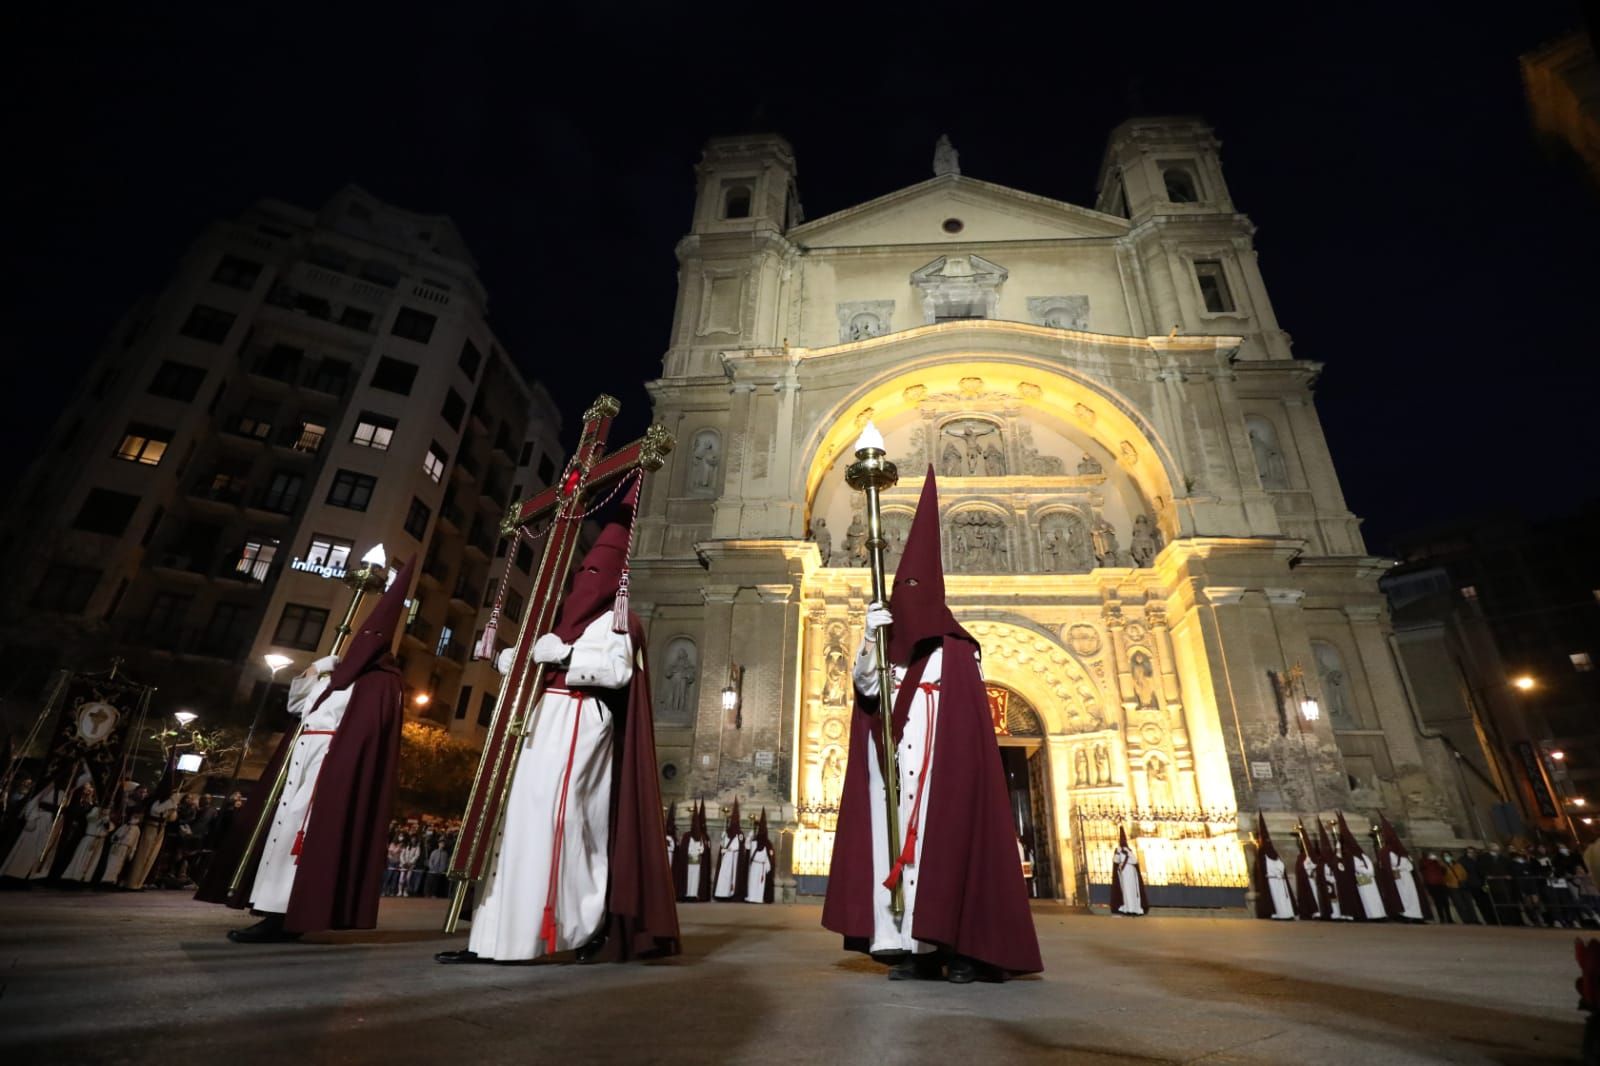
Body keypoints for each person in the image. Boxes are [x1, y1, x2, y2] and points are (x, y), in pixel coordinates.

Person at [822, 468, 1042, 983]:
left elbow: (969, 726)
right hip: (898, 783)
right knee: (908, 862)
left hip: (946, 781)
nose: (910, 599)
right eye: (903, 589)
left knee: (952, 858)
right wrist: (868, 639)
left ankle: (963, 948)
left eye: (917, 588)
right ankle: (918, 951)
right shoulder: (888, 653)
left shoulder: (957, 652)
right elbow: (868, 693)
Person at [437, 504, 679, 965]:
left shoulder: (618, 620)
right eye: (584, 570)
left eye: (597, 572)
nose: (588, 578)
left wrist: (566, 657)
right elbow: (537, 657)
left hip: (580, 719)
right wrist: (517, 661)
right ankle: (493, 938)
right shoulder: (556, 617)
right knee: (514, 824)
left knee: (562, 821)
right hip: (538, 720)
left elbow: (618, 671)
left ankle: (578, 926)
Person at [198, 558, 413, 942]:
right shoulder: (334, 677)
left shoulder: (380, 683)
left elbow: (365, 734)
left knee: (297, 836)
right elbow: (297, 706)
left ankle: (284, 916)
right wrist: (317, 669)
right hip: (300, 756)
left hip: (325, 764)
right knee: (280, 829)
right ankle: (269, 906)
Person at [0, 771, 66, 884]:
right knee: (26, 849)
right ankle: (13, 875)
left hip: (49, 822)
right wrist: (31, 818)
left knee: (37, 850)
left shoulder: (62, 792)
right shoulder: (46, 787)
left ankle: (27, 876)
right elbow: (33, 801)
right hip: (38, 820)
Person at [1375, 815, 1429, 923]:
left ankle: (1417, 915)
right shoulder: (1387, 851)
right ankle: (1406, 915)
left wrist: (1404, 865)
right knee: (1404, 895)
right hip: (1399, 876)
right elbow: (1391, 864)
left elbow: (1409, 864)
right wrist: (1401, 866)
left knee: (1412, 895)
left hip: (1407, 875)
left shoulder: (1399, 850)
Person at [1335, 812, 1385, 921]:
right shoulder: (1350, 857)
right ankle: (1370, 915)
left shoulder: (1360, 855)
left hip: (1366, 876)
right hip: (1361, 877)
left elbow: (1366, 864)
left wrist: (1369, 872)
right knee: (1366, 897)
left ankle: (1378, 915)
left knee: (1373, 896)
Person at [1251, 812, 1296, 920]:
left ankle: (1285, 914)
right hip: (1273, 880)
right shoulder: (1263, 854)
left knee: (1281, 898)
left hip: (1276, 880)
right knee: (1277, 898)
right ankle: (1278, 913)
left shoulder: (1269, 854)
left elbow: (1279, 866)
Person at [674, 799, 711, 902]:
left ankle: (694, 894)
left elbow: (703, 849)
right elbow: (684, 849)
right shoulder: (687, 836)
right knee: (688, 878)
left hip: (697, 862)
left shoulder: (702, 837)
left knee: (696, 878)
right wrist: (690, 853)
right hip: (688, 862)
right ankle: (686, 894)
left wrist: (699, 851)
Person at [713, 799, 745, 901]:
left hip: (735, 857)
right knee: (724, 875)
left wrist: (730, 849)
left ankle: (732, 894)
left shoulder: (740, 834)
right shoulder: (726, 832)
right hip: (727, 857)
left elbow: (740, 846)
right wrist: (723, 840)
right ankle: (722, 893)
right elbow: (723, 845)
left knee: (733, 876)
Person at [1111, 827, 1147, 916]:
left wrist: (1128, 853)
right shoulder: (1118, 850)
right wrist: (1118, 853)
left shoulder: (1129, 851)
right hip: (1123, 873)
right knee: (1125, 891)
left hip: (1130, 872)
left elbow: (1135, 861)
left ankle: (1134, 908)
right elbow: (1115, 861)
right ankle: (1127, 908)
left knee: (1132, 891)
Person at [744, 809, 775, 904]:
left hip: (762, 866)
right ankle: (751, 897)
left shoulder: (767, 844)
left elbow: (769, 857)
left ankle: (758, 898)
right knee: (752, 881)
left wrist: (768, 867)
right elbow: (747, 847)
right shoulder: (753, 841)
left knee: (760, 883)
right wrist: (749, 836)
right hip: (754, 865)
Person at [1421, 853, 1453, 922]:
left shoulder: (1437, 862)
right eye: (1431, 855)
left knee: (1446, 902)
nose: (1433, 856)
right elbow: (1423, 870)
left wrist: (1439, 861)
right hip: (1432, 885)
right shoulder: (1424, 862)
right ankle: (1442, 918)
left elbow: (1444, 871)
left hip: (1441, 884)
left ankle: (1449, 918)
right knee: (1438, 902)